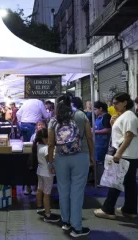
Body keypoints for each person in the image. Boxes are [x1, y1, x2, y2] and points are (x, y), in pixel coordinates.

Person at [48, 94, 94, 237]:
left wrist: (50, 161)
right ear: (71, 102)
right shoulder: (81, 115)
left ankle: (66, 222)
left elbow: (50, 144)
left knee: (63, 190)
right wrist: (92, 155)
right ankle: (77, 228)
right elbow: (89, 137)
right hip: (81, 156)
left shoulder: (54, 120)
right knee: (77, 191)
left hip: (61, 158)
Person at [94, 92, 138, 220]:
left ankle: (108, 209)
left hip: (125, 154)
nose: (113, 106)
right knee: (129, 182)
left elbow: (129, 136)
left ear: (125, 102)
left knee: (116, 181)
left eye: (116, 103)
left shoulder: (129, 116)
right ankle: (129, 209)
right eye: (113, 103)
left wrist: (119, 153)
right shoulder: (124, 115)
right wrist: (112, 123)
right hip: (127, 154)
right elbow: (120, 134)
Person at [32, 128, 60, 223]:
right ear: (44, 139)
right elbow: (50, 162)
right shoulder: (46, 148)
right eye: (49, 137)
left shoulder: (38, 145)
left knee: (40, 189)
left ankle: (39, 207)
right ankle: (48, 215)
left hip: (40, 171)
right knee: (47, 193)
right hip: (47, 173)